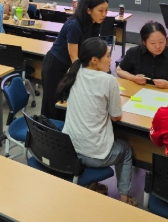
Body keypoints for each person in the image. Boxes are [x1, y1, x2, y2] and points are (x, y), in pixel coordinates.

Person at [57, 37, 136, 206]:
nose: (111, 60)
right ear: (94, 60)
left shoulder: (75, 71)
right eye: (107, 56)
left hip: (69, 148)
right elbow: (116, 116)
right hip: (93, 154)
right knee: (126, 150)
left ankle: (92, 184)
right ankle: (124, 199)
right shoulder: (108, 80)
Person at [41, 0, 109, 119]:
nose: (104, 14)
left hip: (71, 66)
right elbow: (74, 57)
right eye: (101, 10)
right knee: (52, 103)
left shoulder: (95, 24)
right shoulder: (74, 25)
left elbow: (91, 50)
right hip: (56, 65)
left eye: (106, 10)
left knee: (66, 103)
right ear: (88, 10)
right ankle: (46, 129)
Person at [117, 21, 168, 89]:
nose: (158, 46)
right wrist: (133, 78)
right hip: (138, 90)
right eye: (152, 43)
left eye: (161, 41)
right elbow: (119, 70)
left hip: (165, 92)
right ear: (144, 42)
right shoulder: (134, 52)